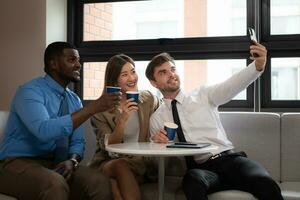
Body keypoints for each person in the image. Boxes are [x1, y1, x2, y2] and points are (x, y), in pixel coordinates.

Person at [145, 43, 284, 199]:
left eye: (173, 69)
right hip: (202, 170)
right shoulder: (157, 118)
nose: (171, 74)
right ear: (153, 82)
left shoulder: (203, 95)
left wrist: (257, 66)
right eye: (163, 72)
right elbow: (158, 166)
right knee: (192, 181)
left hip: (230, 160)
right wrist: (156, 145)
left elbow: (232, 85)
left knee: (265, 182)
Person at [0, 42, 121, 200]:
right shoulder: (29, 91)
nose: (78, 65)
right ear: (53, 64)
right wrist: (92, 108)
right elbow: (44, 131)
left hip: (54, 163)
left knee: (98, 181)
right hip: (16, 163)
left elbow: (77, 142)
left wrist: (72, 160)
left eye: (78, 60)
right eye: (72, 60)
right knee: (54, 184)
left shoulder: (74, 99)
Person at [90, 54, 159, 200]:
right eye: (125, 74)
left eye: (133, 72)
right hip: (109, 163)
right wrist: (122, 120)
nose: (132, 78)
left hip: (138, 165)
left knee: (113, 184)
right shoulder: (101, 110)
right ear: (115, 80)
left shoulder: (147, 99)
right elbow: (109, 146)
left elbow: (165, 112)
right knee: (120, 165)